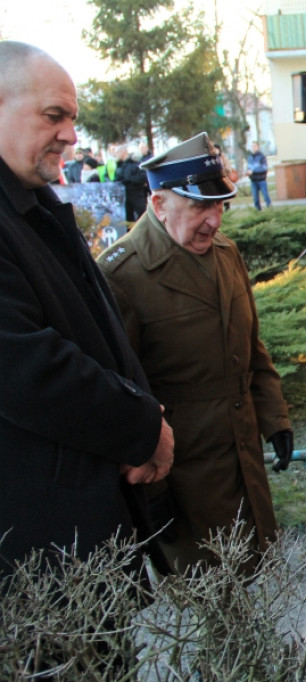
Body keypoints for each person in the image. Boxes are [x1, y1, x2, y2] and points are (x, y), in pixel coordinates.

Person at [0, 41, 174, 576]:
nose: (72, 136)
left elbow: (98, 331)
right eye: (54, 115)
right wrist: (140, 425)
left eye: (73, 119)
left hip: (76, 524)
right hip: (40, 548)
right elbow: (26, 366)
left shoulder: (31, 202)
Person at [98, 132, 293, 574]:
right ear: (159, 203)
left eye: (220, 206)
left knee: (258, 575)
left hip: (242, 454)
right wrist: (150, 492)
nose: (214, 221)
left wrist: (275, 418)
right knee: (210, 590)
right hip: (183, 474)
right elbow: (121, 393)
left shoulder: (226, 252)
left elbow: (251, 346)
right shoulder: (121, 275)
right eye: (200, 207)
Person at [115, 144, 149, 222]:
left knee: (143, 215)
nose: (116, 155)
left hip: (136, 194)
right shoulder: (119, 166)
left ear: (123, 152)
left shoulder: (134, 163)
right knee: (128, 219)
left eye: (117, 153)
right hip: (125, 196)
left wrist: (129, 179)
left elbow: (143, 177)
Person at [245, 140, 271, 210]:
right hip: (253, 180)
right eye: (252, 146)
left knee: (265, 196)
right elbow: (249, 167)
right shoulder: (250, 157)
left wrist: (253, 171)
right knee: (255, 199)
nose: (253, 148)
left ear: (258, 147)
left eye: (255, 146)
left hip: (261, 180)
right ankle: (258, 211)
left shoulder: (262, 157)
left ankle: (270, 210)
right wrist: (247, 172)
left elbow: (264, 168)